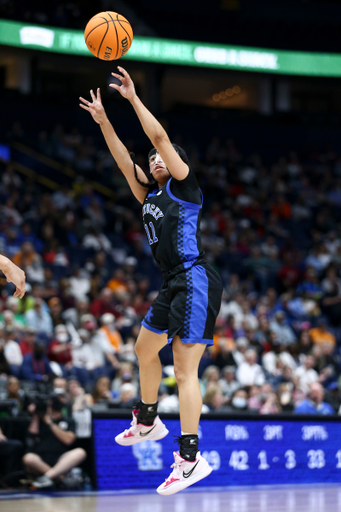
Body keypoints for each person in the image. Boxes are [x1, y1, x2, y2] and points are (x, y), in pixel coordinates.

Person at [80, 66, 223, 495]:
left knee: (183, 369)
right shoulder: (150, 195)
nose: (155, 157)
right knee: (144, 347)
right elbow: (126, 160)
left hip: (195, 278)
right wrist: (105, 121)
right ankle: (146, 421)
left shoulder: (184, 186)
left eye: (163, 155)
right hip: (171, 283)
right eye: (154, 158)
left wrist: (132, 99)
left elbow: (158, 140)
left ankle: (191, 459)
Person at [22, 393, 86, 489]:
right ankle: (60, 478)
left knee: (80, 452)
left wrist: (50, 422)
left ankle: (47, 477)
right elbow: (31, 435)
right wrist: (35, 416)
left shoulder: (68, 420)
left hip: (61, 459)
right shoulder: (39, 419)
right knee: (28, 457)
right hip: (41, 458)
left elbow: (68, 440)